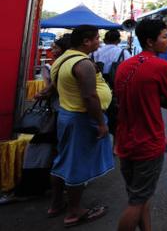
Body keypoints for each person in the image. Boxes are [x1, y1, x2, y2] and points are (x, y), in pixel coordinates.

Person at [114, 19, 167, 231]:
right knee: (136, 203)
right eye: (164, 37)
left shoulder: (125, 65)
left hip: (125, 142)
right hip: (148, 143)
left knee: (140, 197)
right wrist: (157, 98)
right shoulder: (161, 66)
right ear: (150, 42)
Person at [49, 25, 113, 227]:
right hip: (82, 119)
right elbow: (89, 96)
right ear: (86, 41)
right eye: (96, 39)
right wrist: (101, 124)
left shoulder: (62, 59)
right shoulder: (83, 63)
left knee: (62, 160)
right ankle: (74, 212)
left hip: (67, 115)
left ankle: (57, 203)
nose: (99, 42)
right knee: (77, 164)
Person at [0, 36, 71, 206]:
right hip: (59, 115)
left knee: (41, 151)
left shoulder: (61, 65)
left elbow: (51, 89)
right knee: (51, 151)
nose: (52, 51)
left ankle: (37, 190)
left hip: (56, 115)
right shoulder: (65, 64)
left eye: (55, 47)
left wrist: (43, 93)